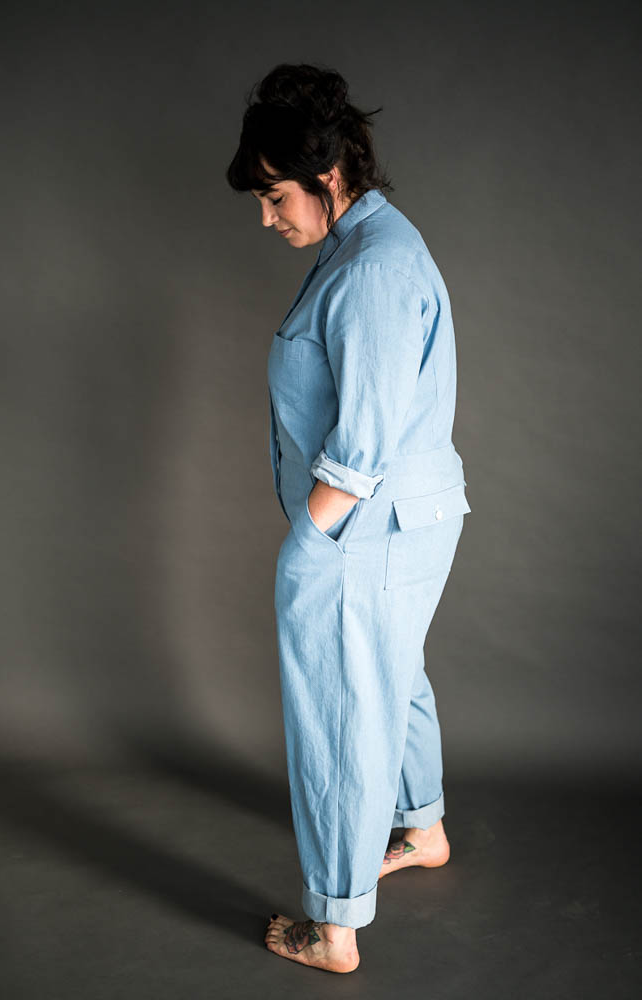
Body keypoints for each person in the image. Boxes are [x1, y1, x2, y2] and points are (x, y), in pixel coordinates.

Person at [226, 63, 471, 974]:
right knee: (391, 674)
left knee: (338, 712)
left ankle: (332, 930)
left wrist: (310, 539)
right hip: (407, 520)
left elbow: (360, 442)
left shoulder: (370, 268)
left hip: (363, 528)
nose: (267, 218)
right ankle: (423, 830)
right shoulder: (367, 243)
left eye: (274, 196)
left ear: (327, 176)